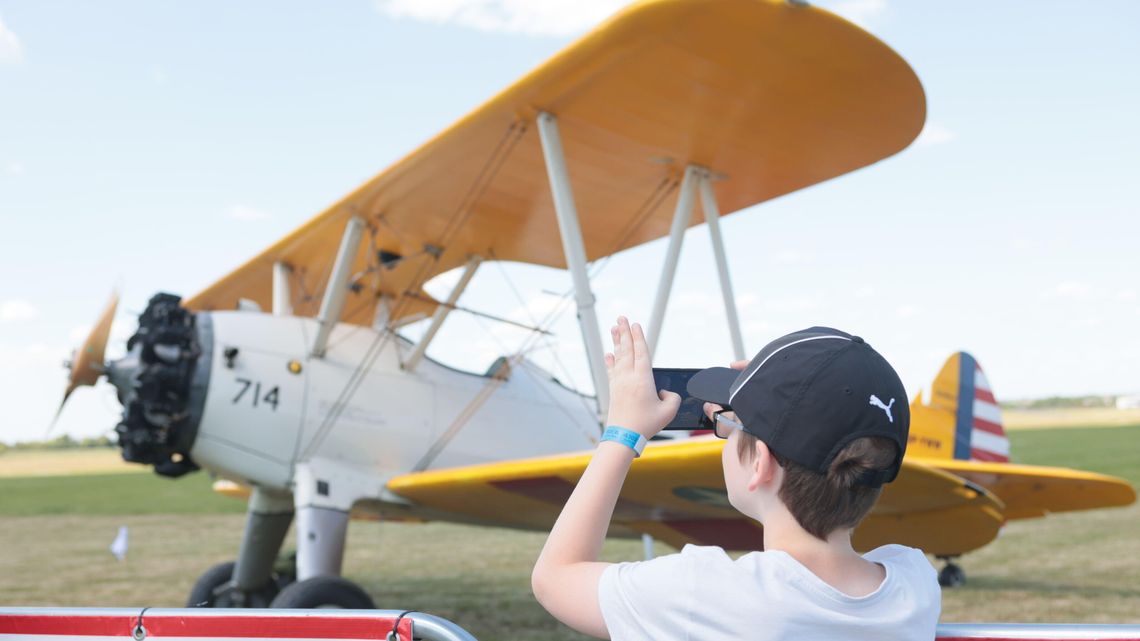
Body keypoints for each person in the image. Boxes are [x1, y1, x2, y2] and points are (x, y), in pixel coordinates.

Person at [531, 318, 940, 640]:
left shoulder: (702, 594)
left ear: (760, 463)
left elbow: (556, 577)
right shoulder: (914, 584)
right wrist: (769, 395)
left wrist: (621, 432)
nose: (721, 427)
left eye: (727, 425)